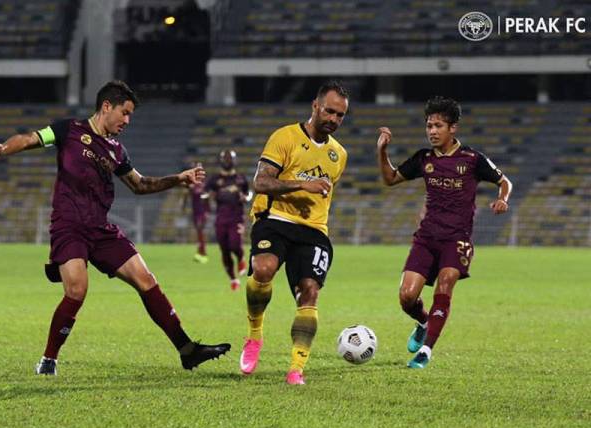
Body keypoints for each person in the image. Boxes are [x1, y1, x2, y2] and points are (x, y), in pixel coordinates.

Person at [0, 80, 230, 376]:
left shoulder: (117, 151)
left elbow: (141, 185)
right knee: (77, 290)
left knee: (146, 279)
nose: (127, 121)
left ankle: (187, 350)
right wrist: (3, 149)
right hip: (69, 226)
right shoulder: (68, 130)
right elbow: (29, 139)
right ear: (107, 107)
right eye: (125, 113)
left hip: (100, 229)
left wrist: (178, 178)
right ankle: (48, 359)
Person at [375, 96, 512, 369]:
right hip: (426, 239)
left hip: (457, 238)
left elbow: (504, 180)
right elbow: (390, 179)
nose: (432, 131)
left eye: (438, 125)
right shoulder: (423, 159)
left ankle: (426, 350)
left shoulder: (472, 159)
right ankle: (424, 322)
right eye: (429, 126)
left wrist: (503, 199)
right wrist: (382, 151)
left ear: (453, 128)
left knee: (446, 282)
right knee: (406, 297)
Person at [239, 81, 349, 385]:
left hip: (313, 230)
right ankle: (254, 336)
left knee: (310, 290)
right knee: (263, 269)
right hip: (275, 218)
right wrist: (302, 184)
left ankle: (296, 369)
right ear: (315, 106)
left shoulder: (339, 155)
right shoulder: (284, 137)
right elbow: (260, 183)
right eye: (329, 111)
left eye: (340, 116)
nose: (334, 120)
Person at [205, 149, 251, 291]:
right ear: (220, 161)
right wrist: (208, 196)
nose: (227, 161)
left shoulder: (241, 178)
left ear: (235, 160)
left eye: (229, 158)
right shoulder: (214, 179)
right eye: (225, 159)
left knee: (235, 245)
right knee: (224, 250)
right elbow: (204, 194)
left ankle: (241, 259)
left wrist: (246, 198)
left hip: (237, 217)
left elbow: (249, 193)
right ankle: (233, 278)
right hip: (221, 218)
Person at [181, 168, 210, 264]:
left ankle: (203, 252)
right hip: (195, 212)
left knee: (200, 229)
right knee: (199, 232)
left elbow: (208, 198)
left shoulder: (205, 185)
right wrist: (184, 207)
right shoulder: (192, 185)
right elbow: (185, 195)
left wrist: (208, 210)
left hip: (203, 212)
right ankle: (201, 252)